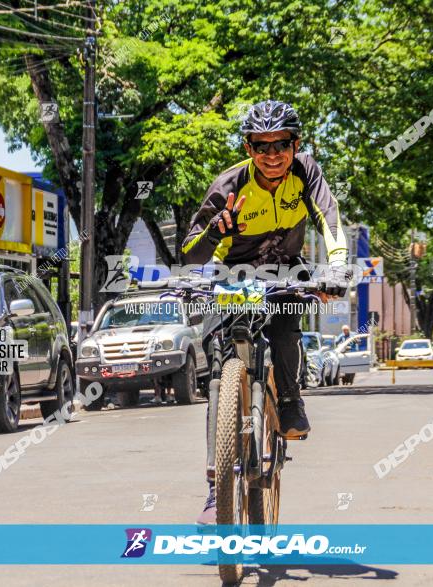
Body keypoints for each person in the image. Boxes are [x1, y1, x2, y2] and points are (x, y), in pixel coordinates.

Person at [181, 100, 349, 524]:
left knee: (285, 331)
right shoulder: (230, 184)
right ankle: (213, 490)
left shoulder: (306, 172)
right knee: (221, 371)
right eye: (262, 146)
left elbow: (330, 220)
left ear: (296, 145)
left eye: (281, 145)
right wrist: (218, 228)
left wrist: (336, 267)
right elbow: (189, 250)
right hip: (233, 276)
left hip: (286, 274)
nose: (272, 155)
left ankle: (290, 402)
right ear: (249, 147)